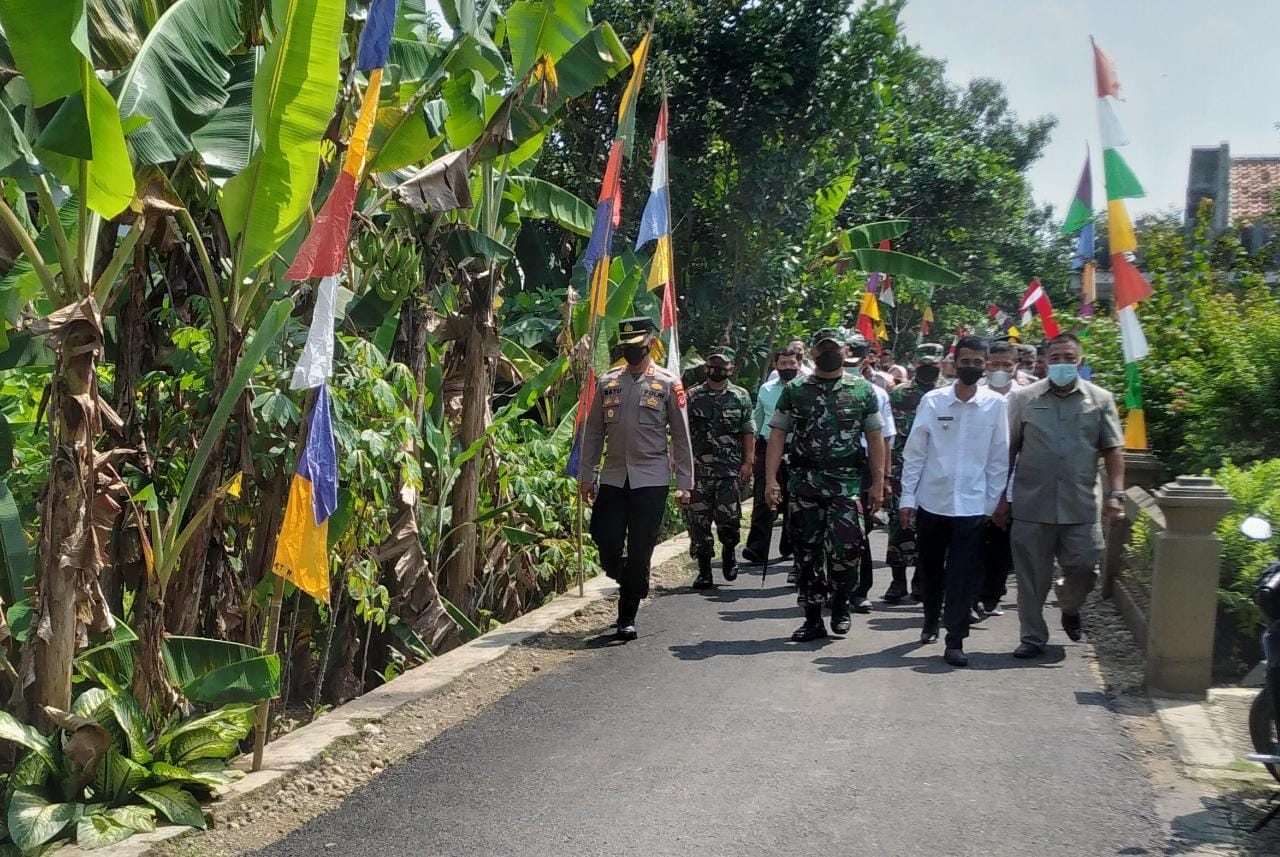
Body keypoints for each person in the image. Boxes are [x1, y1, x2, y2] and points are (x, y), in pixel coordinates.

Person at [996, 332, 1125, 659]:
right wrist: (999, 497)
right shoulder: (1023, 399)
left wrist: (1116, 495)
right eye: (1055, 359)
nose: (1062, 364)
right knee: (1030, 579)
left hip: (1080, 504)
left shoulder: (1100, 399)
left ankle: (1069, 606)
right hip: (1031, 503)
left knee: (1086, 566)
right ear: (1044, 362)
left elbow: (1112, 449)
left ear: (1079, 361)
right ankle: (1032, 637)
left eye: (1069, 358)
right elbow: (1008, 450)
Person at [765, 328, 885, 642]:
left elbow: (875, 437)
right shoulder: (795, 389)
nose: (828, 353)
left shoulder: (862, 390)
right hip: (804, 483)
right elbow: (777, 434)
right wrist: (770, 481)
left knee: (847, 549)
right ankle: (812, 618)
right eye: (823, 348)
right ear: (814, 353)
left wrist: (878, 484)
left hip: (845, 484)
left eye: (834, 348)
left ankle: (842, 601)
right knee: (806, 554)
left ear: (846, 351)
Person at [579, 317, 694, 641]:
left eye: (636, 346)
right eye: (626, 346)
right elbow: (593, 434)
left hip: (651, 478)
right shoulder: (608, 382)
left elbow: (681, 438)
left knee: (641, 547)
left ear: (651, 344)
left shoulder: (669, 384)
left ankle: (626, 616)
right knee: (604, 537)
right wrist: (587, 476)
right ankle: (628, 576)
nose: (631, 351)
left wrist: (685, 482)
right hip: (615, 475)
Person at [899, 335, 1009, 667]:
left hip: (973, 507)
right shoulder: (933, 402)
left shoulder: (996, 405)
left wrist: (993, 504)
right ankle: (930, 618)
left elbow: (998, 458)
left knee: (963, 574)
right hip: (933, 501)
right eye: (966, 361)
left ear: (986, 365)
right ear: (953, 362)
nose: (971, 367)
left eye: (978, 362)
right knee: (930, 569)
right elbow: (915, 453)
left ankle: (956, 639)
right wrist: (907, 497)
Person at [684, 347, 755, 589]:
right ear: (706, 367)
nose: (717, 369)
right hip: (698, 471)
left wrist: (748, 463)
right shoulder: (692, 396)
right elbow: (681, 433)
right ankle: (704, 570)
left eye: (722, 365)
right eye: (713, 364)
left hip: (729, 471)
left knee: (729, 520)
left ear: (731, 368)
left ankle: (729, 552)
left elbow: (748, 432)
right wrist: (680, 463)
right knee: (698, 522)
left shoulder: (740, 396)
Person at [884, 343, 944, 603]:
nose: (928, 368)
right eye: (923, 363)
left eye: (932, 364)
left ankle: (922, 581)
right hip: (901, 468)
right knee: (899, 525)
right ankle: (898, 581)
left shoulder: (949, 394)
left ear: (941, 363)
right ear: (914, 362)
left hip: (936, 471)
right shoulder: (898, 394)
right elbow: (887, 435)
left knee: (931, 528)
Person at [845, 334, 896, 613]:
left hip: (864, 467)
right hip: (832, 469)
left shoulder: (875, 393)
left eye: (855, 357)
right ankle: (833, 589)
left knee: (859, 532)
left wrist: (882, 480)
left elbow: (885, 438)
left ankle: (860, 591)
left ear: (866, 360)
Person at [974, 340, 1021, 617]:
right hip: (975, 484)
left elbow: (1021, 450)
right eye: (994, 364)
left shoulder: (1026, 398)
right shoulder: (974, 396)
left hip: (1012, 485)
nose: (1000, 369)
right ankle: (970, 594)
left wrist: (1006, 494)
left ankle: (992, 594)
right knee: (972, 543)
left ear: (1015, 367)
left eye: (1006, 365)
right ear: (986, 365)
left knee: (1001, 546)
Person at [744, 347, 801, 568]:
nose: (787, 367)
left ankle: (790, 546)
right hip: (768, 448)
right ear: (776, 366)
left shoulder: (806, 389)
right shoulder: (766, 390)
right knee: (763, 497)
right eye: (783, 363)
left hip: (796, 449)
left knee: (793, 500)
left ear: (798, 364)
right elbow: (757, 419)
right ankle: (756, 549)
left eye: (791, 363)